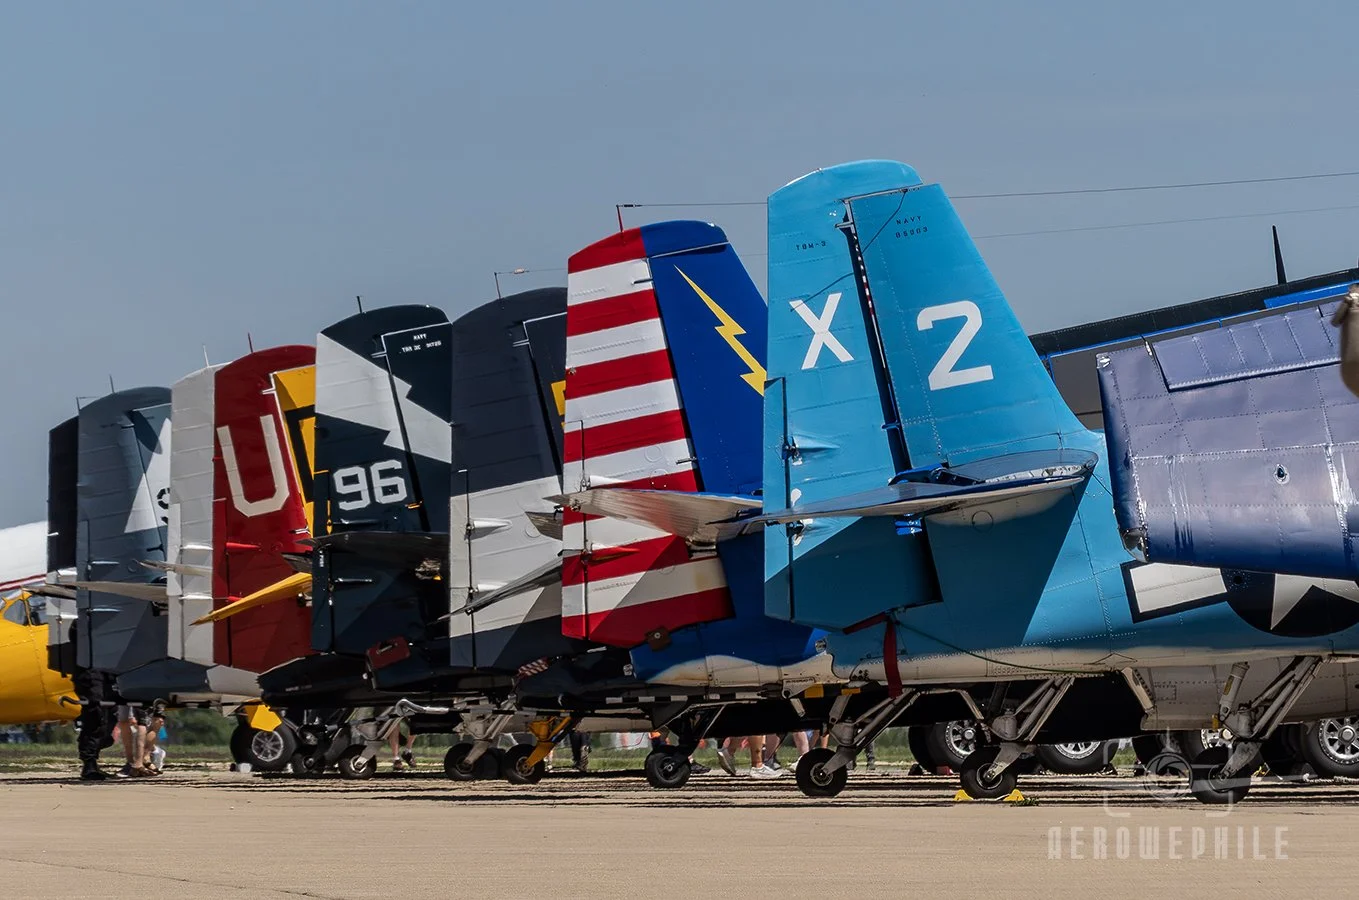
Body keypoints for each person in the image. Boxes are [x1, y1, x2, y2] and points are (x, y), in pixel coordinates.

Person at [115, 704, 152, 778]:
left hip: (140, 695)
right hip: (124, 695)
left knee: (141, 723)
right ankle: (130, 762)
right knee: (123, 721)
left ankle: (139, 762)